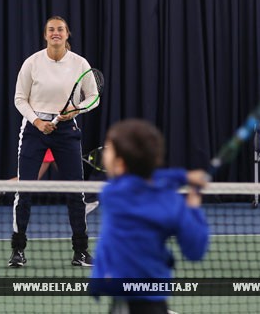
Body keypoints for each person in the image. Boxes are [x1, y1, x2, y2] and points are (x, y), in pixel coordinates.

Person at [90, 119, 210, 313]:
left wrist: (181, 177)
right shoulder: (172, 204)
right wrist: (194, 206)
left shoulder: (112, 193)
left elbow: (151, 180)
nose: (103, 153)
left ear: (120, 165)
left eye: (108, 148)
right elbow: (195, 250)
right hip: (154, 298)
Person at [11, 16, 99, 268]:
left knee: (75, 193)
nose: (56, 33)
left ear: (67, 34)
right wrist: (37, 121)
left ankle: (80, 251)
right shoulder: (32, 62)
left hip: (66, 131)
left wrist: (77, 110)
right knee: (24, 191)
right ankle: (18, 250)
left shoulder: (80, 63)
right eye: (51, 30)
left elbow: (93, 97)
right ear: (45, 35)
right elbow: (19, 99)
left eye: (60, 29)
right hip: (33, 129)